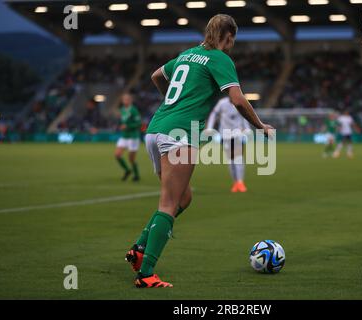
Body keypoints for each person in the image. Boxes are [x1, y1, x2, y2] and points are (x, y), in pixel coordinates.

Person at [124, 14, 274, 288]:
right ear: (228, 36)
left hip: (156, 129)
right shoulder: (220, 59)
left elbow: (156, 75)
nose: (232, 44)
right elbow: (238, 100)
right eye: (233, 39)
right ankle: (145, 274)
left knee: (184, 197)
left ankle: (138, 249)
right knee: (169, 204)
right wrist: (259, 125)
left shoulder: (187, 54)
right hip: (180, 134)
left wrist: (173, 101)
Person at [206, 96, 251, 192]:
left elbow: (245, 116)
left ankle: (240, 182)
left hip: (238, 134)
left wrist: (247, 128)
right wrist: (210, 127)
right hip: (225, 135)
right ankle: (236, 182)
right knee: (230, 160)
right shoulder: (222, 103)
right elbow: (214, 113)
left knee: (238, 158)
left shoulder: (240, 102)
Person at [114, 93, 142, 182]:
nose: (125, 101)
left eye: (126, 99)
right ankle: (127, 170)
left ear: (130, 100)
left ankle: (136, 176)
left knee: (131, 159)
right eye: (123, 99)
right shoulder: (122, 110)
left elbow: (139, 123)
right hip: (124, 136)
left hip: (133, 137)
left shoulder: (134, 110)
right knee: (117, 155)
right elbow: (123, 121)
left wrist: (128, 126)